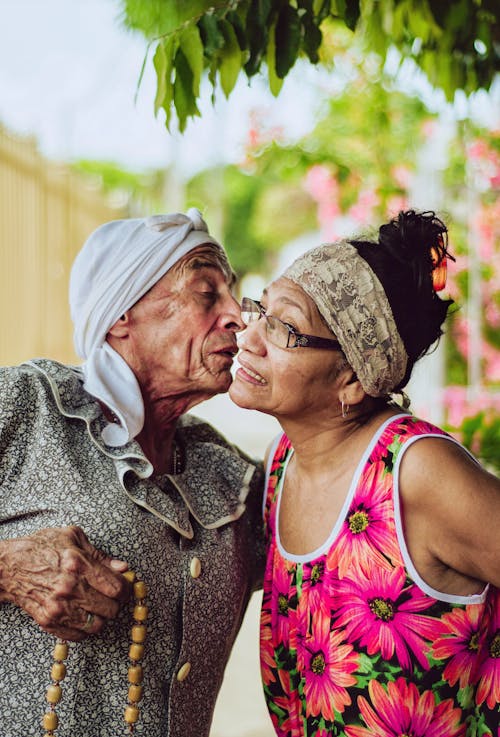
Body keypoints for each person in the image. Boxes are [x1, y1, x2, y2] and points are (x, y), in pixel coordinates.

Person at [229, 209, 500, 737]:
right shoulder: (281, 461)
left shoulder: (416, 471)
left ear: (352, 380)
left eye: (284, 327)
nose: (251, 335)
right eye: (260, 310)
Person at [0, 208, 264, 737]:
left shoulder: (231, 479)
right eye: (206, 292)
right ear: (122, 315)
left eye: (233, 294)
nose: (238, 314)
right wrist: (6, 567)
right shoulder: (30, 407)